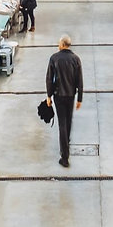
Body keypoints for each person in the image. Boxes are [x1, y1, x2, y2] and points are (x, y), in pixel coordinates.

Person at [46, 34, 83, 167]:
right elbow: (79, 80)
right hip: (71, 95)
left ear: (62, 44)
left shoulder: (54, 58)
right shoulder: (76, 59)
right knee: (68, 120)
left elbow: (49, 79)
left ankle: (64, 156)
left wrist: (49, 95)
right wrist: (79, 98)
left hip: (59, 95)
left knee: (62, 123)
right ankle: (66, 142)